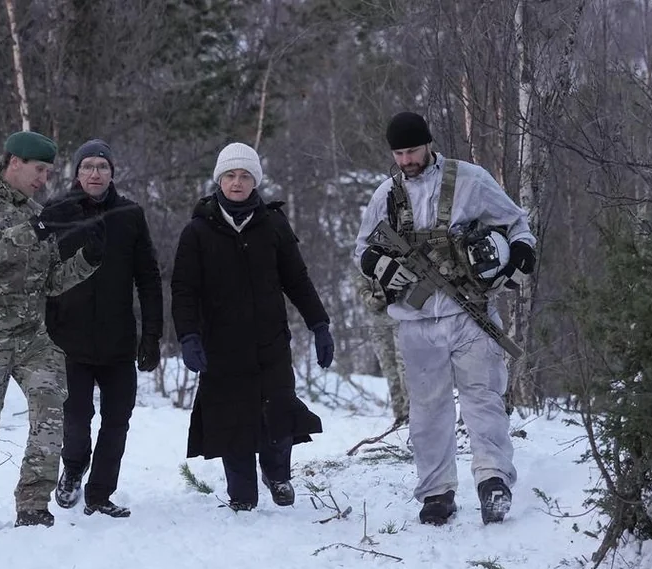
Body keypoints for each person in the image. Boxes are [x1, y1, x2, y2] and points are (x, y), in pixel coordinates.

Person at [353, 112, 536, 526]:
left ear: (428, 143)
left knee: (483, 399)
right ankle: (436, 493)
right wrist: (377, 265)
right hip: (415, 320)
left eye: (412, 151)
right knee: (427, 409)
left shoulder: (469, 179)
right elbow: (363, 249)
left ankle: (493, 482)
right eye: (398, 153)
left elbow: (516, 224)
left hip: (470, 313)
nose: (406, 160)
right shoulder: (386, 194)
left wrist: (519, 257)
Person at [0, 130, 105, 528]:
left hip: (30, 336)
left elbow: (51, 281)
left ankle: (34, 504)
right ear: (14, 162)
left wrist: (89, 259)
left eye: (49, 172)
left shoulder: (36, 211)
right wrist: (35, 228)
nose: (44, 179)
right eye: (39, 170)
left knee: (51, 412)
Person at [171, 142, 335, 511]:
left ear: (255, 181)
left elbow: (297, 279)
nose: (237, 182)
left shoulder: (273, 224)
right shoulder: (198, 231)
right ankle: (241, 493)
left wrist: (319, 324)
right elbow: (183, 290)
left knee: (278, 410)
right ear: (219, 179)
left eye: (245, 175)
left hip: (271, 341)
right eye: (230, 175)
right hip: (221, 344)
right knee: (233, 417)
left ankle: (277, 475)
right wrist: (189, 336)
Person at [43, 139, 163, 519]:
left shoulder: (130, 214)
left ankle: (99, 494)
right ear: (77, 172)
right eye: (88, 166)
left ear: (112, 173)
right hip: (68, 341)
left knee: (117, 421)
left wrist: (152, 335)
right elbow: (37, 273)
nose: (95, 173)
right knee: (76, 422)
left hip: (117, 342)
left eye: (103, 167)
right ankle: (74, 467)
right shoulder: (57, 211)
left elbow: (148, 277)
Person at [354, 273, 409, 424]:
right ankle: (400, 415)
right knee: (389, 367)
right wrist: (369, 297)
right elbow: (360, 284)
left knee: (404, 364)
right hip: (377, 321)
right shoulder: (362, 256)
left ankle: (410, 412)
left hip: (400, 313)